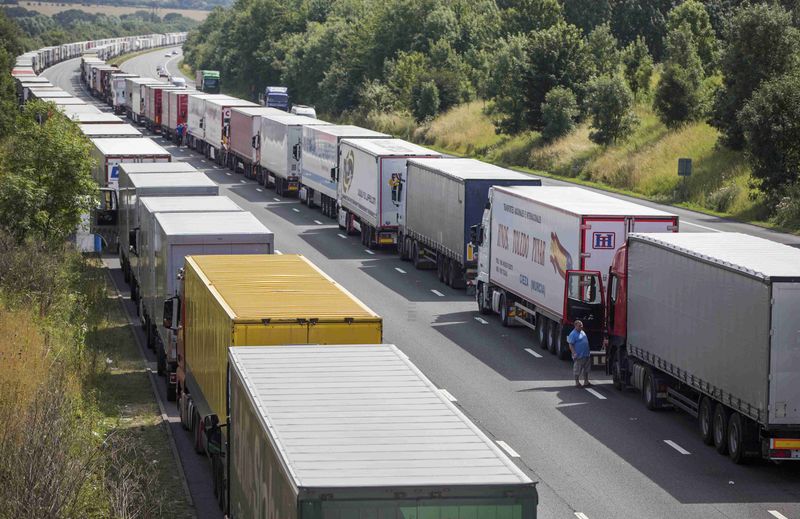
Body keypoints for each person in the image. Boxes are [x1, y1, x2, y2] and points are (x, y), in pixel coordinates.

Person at [567, 319, 591, 387]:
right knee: (577, 369)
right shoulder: (573, 334)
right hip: (579, 355)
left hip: (586, 354)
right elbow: (570, 344)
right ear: (575, 326)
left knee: (586, 369)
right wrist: (574, 353)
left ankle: (586, 382)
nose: (581, 326)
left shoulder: (582, 332)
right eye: (580, 325)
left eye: (582, 325)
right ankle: (577, 383)